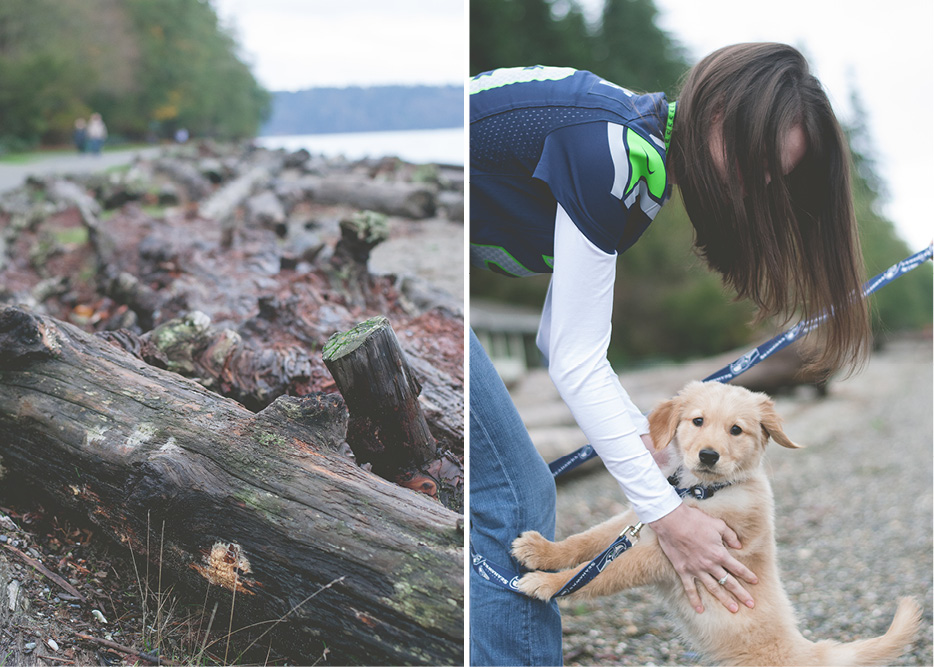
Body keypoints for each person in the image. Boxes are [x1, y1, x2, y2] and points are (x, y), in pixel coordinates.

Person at [469, 43, 871, 666]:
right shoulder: (620, 155)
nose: (757, 185)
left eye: (775, 177)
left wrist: (653, 452)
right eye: (757, 159)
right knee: (513, 495)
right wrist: (669, 517)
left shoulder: (630, 142)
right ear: (719, 111)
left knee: (510, 485)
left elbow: (555, 339)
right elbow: (575, 358)